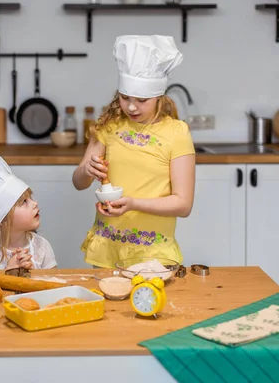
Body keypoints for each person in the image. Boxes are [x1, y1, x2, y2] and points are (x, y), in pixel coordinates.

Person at [72, 35, 196, 268]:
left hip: (153, 255)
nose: (130, 106)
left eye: (141, 100)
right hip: (108, 248)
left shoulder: (177, 133)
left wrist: (133, 203)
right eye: (125, 97)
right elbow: (78, 182)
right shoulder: (108, 126)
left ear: (159, 96)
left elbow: (183, 204)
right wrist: (86, 170)